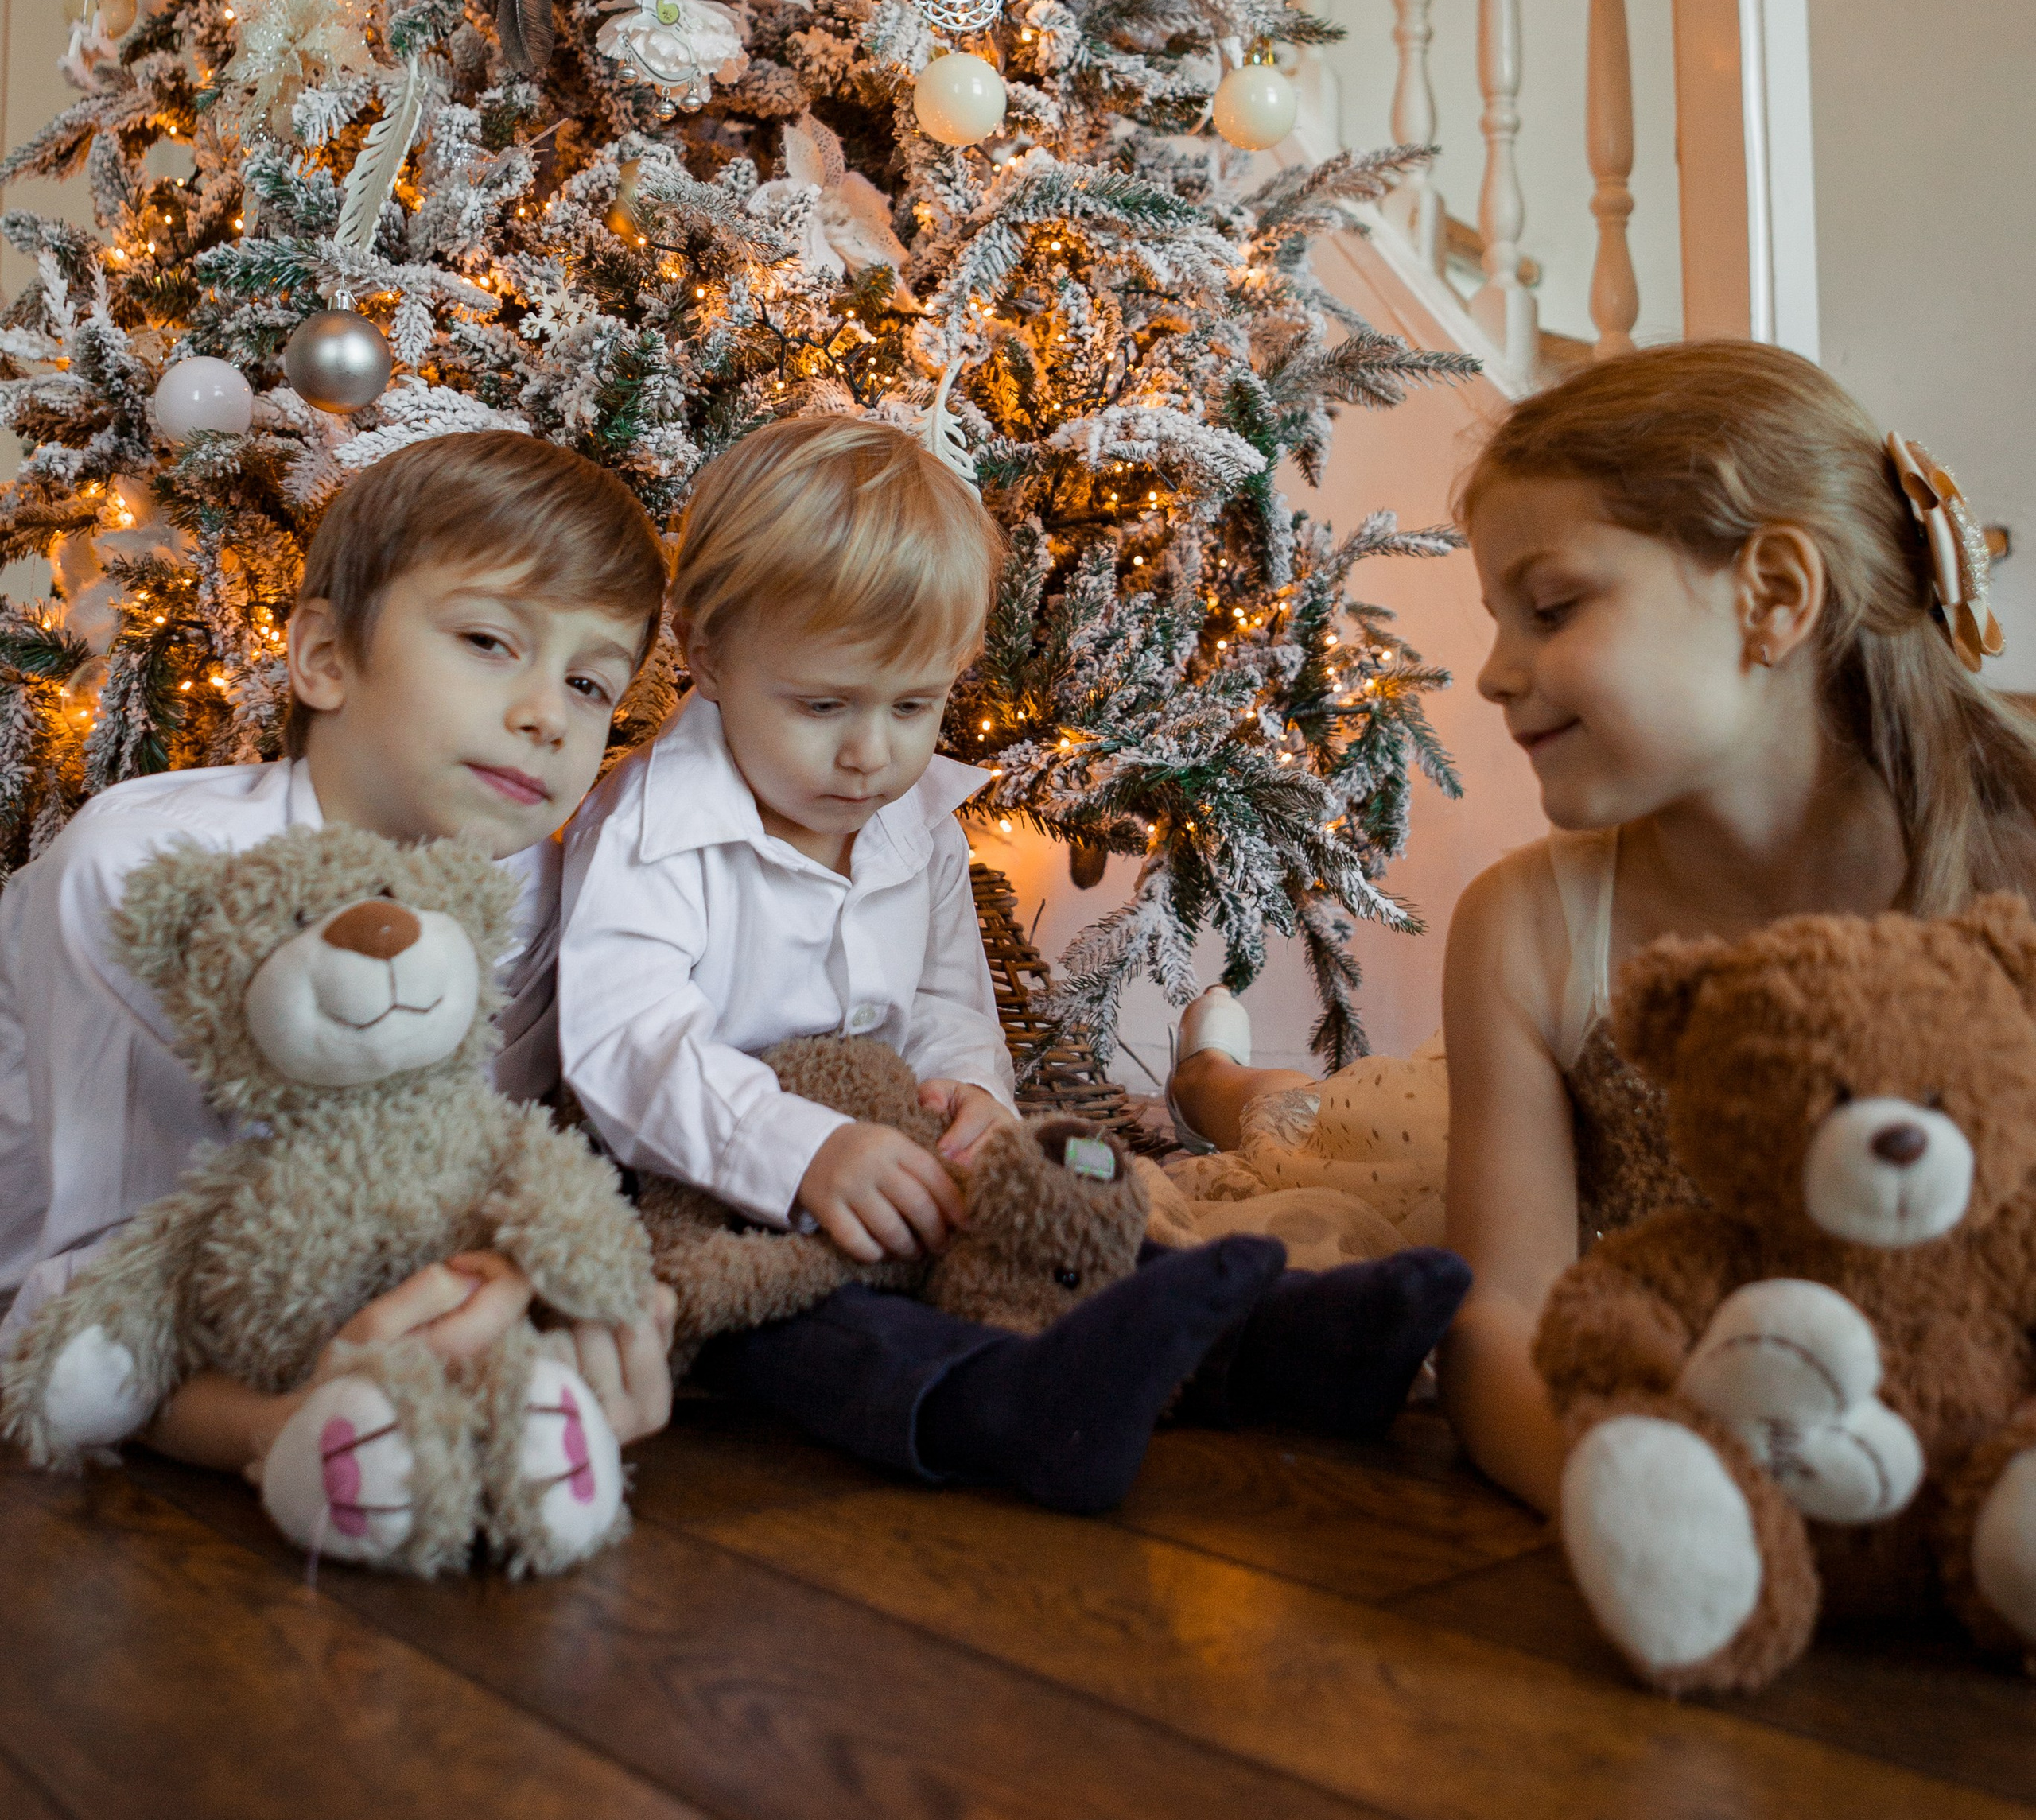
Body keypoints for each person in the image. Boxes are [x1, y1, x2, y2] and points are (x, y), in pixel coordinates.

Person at [1171, 342, 2036, 1512]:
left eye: (1552, 609)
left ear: (1775, 596)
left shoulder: (2011, 871)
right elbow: (1502, 1321)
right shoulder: (1525, 927)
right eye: (1500, 620)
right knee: (1331, 1132)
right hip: (1464, 1144)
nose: (1492, 673)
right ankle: (1211, 1075)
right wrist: (1643, 1508)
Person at [560, 413, 1466, 1513]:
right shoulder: (649, 828)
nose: (871, 753)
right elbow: (626, 1044)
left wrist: (975, 1101)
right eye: (823, 705)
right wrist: (800, 1153)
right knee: (815, 1323)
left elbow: (948, 1003)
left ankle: (1266, 1345)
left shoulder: (913, 824)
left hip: (891, 1154)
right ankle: (991, 1404)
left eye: (914, 705)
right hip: (701, 1188)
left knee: (1065, 1225)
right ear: (704, 651)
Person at [0, 428, 678, 1480]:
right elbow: (81, 1299)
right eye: (489, 640)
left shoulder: (559, 901)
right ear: (324, 657)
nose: (548, 715)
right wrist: (290, 1429)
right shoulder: (147, 876)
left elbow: (471, 1173)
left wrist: (553, 1315)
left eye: (592, 685)